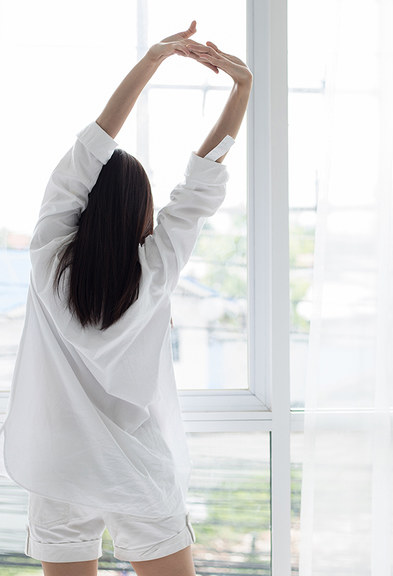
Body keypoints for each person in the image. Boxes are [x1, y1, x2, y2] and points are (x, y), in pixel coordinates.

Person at [0, 21, 252, 576]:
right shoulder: (156, 270)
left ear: (83, 207)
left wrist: (155, 59)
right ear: (142, 209)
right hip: (134, 469)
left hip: (57, 467)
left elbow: (88, 150)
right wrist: (242, 90)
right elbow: (201, 185)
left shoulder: (47, 261)